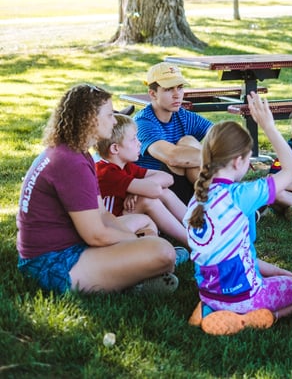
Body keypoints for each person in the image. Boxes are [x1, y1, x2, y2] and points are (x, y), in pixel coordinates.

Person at [16, 84, 179, 295]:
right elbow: (96, 236)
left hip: (70, 244)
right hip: (54, 264)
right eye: (110, 114)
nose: (114, 120)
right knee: (164, 252)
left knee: (146, 223)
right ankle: (135, 278)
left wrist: (136, 240)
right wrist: (137, 241)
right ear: (91, 119)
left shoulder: (77, 153)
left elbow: (102, 213)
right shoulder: (70, 162)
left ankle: (134, 272)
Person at [185, 93, 292, 336]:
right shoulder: (242, 195)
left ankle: (209, 311)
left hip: (209, 294)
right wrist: (268, 126)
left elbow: (233, 255)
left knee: (283, 278)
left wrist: (278, 271)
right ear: (238, 160)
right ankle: (251, 319)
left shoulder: (196, 199)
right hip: (245, 298)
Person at [95, 114, 190, 253]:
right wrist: (140, 189)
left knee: (165, 192)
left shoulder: (125, 166)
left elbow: (168, 178)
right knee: (147, 200)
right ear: (115, 149)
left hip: (126, 220)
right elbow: (155, 190)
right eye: (133, 139)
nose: (139, 143)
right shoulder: (106, 172)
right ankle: (192, 243)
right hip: (108, 228)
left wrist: (135, 189)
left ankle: (199, 228)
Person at [134, 62, 213, 203]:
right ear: (152, 94)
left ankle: (216, 200)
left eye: (180, 88)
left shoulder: (183, 116)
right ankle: (222, 200)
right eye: (169, 89)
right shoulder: (143, 122)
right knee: (181, 153)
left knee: (188, 141)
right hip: (158, 193)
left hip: (186, 188)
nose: (177, 95)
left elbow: (220, 134)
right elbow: (172, 157)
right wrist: (220, 158)